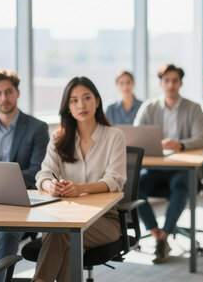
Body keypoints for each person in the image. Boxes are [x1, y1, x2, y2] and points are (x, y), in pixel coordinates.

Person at [33, 76, 126, 282]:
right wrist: (51, 186)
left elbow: (115, 180)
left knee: (61, 231)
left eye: (86, 98)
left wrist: (80, 189)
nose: (81, 105)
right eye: (74, 100)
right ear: (68, 107)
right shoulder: (59, 137)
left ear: (97, 101)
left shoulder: (114, 136)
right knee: (69, 240)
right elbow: (44, 174)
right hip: (67, 216)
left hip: (105, 221)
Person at [0, 69, 49, 282]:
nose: (4, 98)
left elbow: (38, 170)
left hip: (20, 204)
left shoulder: (37, 128)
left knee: (8, 232)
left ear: (17, 93)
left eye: (8, 91)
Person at [134, 64, 203, 264]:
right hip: (156, 167)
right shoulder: (149, 107)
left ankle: (164, 237)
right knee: (134, 188)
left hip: (182, 168)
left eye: (175, 81)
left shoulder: (193, 108)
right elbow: (137, 136)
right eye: (167, 81)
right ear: (161, 83)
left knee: (182, 186)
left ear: (181, 83)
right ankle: (155, 232)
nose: (171, 85)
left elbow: (201, 138)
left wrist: (180, 144)